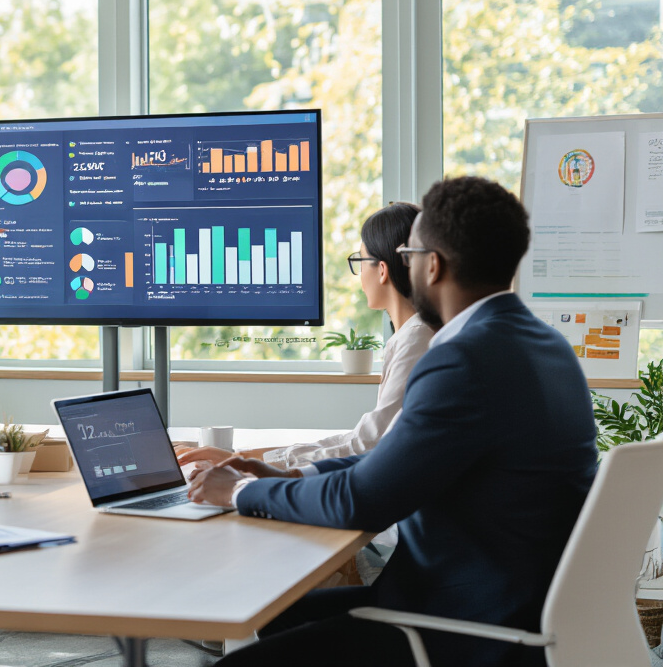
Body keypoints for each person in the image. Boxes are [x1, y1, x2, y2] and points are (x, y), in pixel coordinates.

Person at [188, 177, 598, 667]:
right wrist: (295, 474)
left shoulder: (465, 358)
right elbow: (398, 454)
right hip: (517, 603)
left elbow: (361, 501)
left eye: (410, 253)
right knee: (281, 613)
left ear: (433, 264)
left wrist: (235, 492)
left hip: (464, 623)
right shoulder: (546, 345)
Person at [179, 203, 432, 469]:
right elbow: (359, 438)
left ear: (382, 270)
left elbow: (368, 444)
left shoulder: (417, 339)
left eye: (359, 260)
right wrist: (247, 456)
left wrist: (246, 462)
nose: (358, 277)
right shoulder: (411, 335)